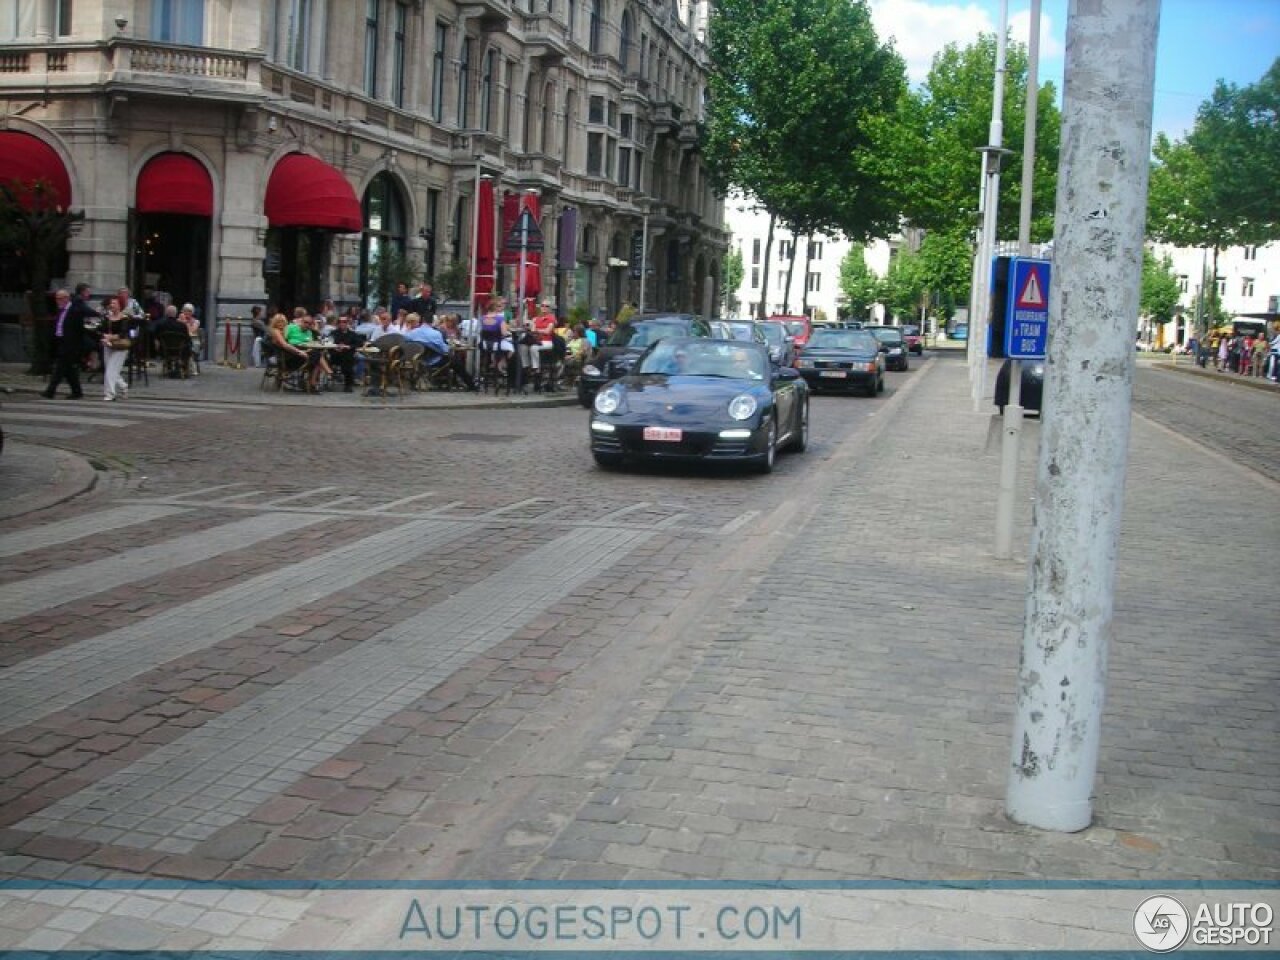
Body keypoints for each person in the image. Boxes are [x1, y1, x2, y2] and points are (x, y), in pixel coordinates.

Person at [43, 286, 98, 399]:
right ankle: (77, 392)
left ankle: (50, 391)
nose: (57, 300)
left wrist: (100, 314)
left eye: (59, 298)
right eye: (56, 298)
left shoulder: (75, 308)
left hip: (71, 344)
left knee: (60, 367)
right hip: (61, 341)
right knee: (68, 370)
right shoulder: (61, 309)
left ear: (66, 298)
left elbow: (88, 312)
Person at [98, 296, 131, 401]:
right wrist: (104, 336)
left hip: (120, 347)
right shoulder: (107, 317)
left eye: (115, 303)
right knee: (110, 370)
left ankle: (110, 394)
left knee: (110, 371)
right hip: (108, 345)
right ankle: (123, 386)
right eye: (111, 303)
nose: (112, 305)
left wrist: (111, 337)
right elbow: (101, 329)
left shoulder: (124, 318)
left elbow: (123, 333)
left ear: (120, 305)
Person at [327, 312, 364, 392]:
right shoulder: (334, 333)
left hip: (347, 355)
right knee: (348, 358)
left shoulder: (352, 334)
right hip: (336, 355)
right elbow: (328, 343)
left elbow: (359, 343)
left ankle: (348, 384)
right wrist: (335, 347)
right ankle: (349, 383)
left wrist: (348, 347)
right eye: (340, 322)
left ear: (347, 323)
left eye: (344, 322)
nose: (342, 324)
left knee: (348, 357)